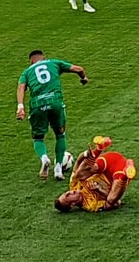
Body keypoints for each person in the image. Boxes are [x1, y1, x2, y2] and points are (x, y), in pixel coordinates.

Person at [16, 51, 89, 181]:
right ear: (44, 57)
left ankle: (44, 158)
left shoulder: (26, 72)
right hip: (55, 102)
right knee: (60, 134)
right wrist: (83, 78)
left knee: (38, 138)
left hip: (37, 105)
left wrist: (20, 107)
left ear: (31, 61)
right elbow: (79, 69)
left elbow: (21, 88)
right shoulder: (54, 63)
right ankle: (58, 169)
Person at [55, 136, 136, 212]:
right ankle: (127, 171)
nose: (70, 192)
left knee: (79, 175)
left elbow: (78, 163)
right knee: (111, 199)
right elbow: (116, 203)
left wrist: (86, 154)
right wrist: (99, 190)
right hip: (118, 173)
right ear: (72, 204)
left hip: (106, 163)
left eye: (66, 193)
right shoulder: (91, 205)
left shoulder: (74, 185)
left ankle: (99, 148)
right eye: (68, 195)